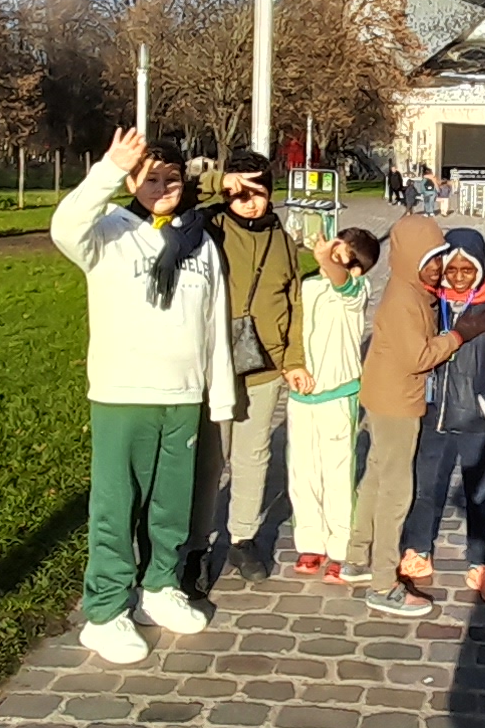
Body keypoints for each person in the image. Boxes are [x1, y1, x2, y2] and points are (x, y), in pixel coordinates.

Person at [48, 128, 238, 666]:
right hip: (123, 393)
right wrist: (109, 167)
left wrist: (216, 394)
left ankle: (160, 587)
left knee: (170, 505)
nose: (161, 187)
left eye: (171, 178)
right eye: (149, 178)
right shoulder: (107, 233)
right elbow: (65, 225)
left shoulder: (200, 244)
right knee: (116, 505)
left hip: (182, 395)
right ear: (132, 183)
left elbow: (213, 324)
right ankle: (105, 612)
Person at [345, 214, 485, 617]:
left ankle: (358, 557)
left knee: (375, 476)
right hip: (397, 402)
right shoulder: (406, 299)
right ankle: (382, 583)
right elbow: (419, 357)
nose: (438, 267)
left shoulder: (409, 288)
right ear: (408, 257)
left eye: (439, 257)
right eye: (429, 259)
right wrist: (461, 335)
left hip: (384, 396)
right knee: (396, 490)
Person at [189, 150, 306, 589]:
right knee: (210, 459)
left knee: (253, 456)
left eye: (258, 191)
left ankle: (242, 537)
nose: (249, 201)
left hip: (265, 365)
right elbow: (178, 201)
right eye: (239, 193)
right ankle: (198, 543)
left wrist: (292, 360)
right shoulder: (209, 228)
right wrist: (222, 182)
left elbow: (293, 300)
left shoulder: (282, 239)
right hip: (215, 363)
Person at [400, 228, 485, 605]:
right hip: (433, 415)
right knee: (425, 487)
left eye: (466, 270)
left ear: (481, 271)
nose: (457, 276)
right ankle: (418, 549)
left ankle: (480, 562)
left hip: (475, 420)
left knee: (478, 493)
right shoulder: (429, 305)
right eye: (450, 268)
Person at [286, 226, 382, 581]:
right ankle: (310, 542)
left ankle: (341, 546)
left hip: (338, 395)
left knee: (337, 474)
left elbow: (341, 280)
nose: (326, 255)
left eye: (337, 251)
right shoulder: (309, 285)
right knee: (302, 473)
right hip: (302, 395)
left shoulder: (356, 289)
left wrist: (328, 259)